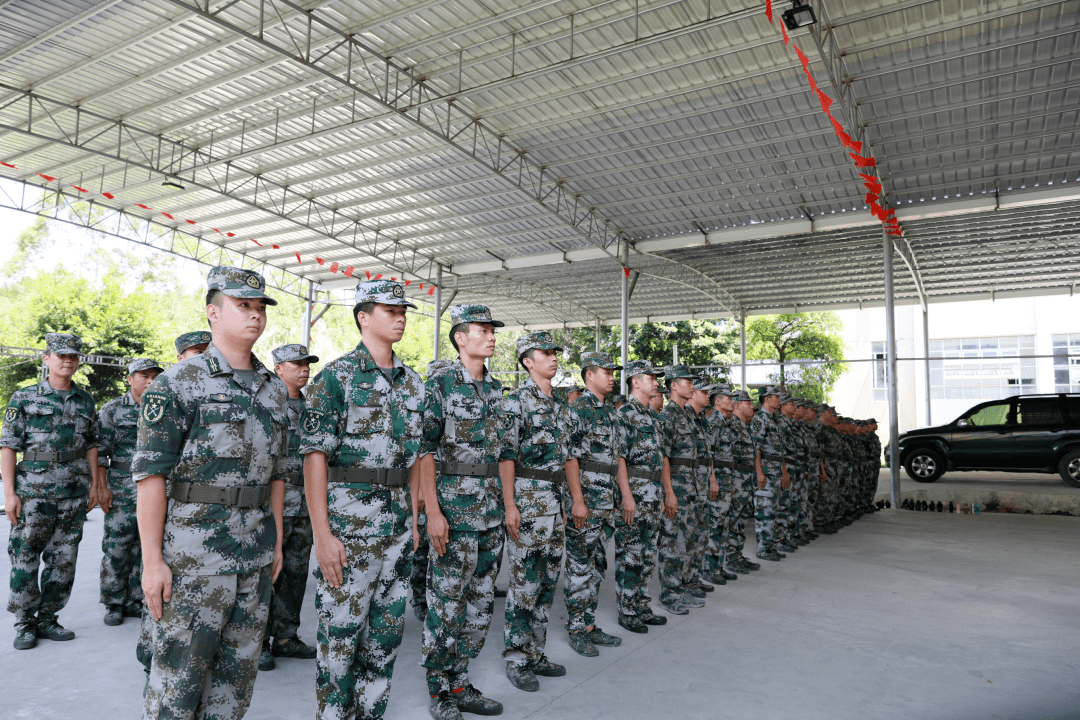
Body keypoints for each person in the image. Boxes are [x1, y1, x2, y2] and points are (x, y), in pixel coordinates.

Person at [134, 266, 287, 719]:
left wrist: (275, 540)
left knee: (235, 684)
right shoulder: (177, 383)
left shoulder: (274, 390)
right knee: (178, 684)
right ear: (213, 313)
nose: (255, 316)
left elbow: (277, 474)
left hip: (255, 554)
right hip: (194, 558)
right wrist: (151, 561)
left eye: (260, 307)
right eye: (244, 306)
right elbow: (150, 477)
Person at [300, 279, 424, 720]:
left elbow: (414, 460)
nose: (400, 317)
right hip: (349, 531)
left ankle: (371, 714)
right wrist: (322, 534)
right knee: (340, 637)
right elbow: (315, 458)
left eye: (403, 310)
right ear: (363, 317)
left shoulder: (413, 384)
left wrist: (413, 520)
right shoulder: (335, 378)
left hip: (395, 531)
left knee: (386, 636)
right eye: (389, 311)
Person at [420, 305, 506, 720]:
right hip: (454, 512)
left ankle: (461, 681)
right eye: (483, 330)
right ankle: (440, 693)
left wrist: (509, 507)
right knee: (446, 604)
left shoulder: (495, 389)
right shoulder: (439, 386)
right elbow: (424, 450)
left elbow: (504, 453)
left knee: (480, 604)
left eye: (493, 330)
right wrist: (432, 511)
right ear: (461, 338)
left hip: (490, 513)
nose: (491, 337)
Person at [2, 332, 102, 650]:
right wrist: (9, 493)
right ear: (47, 359)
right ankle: (25, 623)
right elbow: (8, 446)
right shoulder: (24, 398)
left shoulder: (85, 400)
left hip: (73, 492)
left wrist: (95, 486)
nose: (67, 360)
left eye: (73, 356)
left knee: (63, 559)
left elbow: (91, 445)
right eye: (61, 355)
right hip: (33, 492)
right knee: (25, 556)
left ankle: (48, 618)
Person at [499, 331, 570, 692]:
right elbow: (506, 456)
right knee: (524, 583)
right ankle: (516, 656)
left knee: (545, 582)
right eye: (545, 353)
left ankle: (535, 652)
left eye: (555, 352)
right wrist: (510, 505)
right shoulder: (517, 402)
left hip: (555, 504)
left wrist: (574, 500)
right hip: (528, 503)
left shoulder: (560, 405)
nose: (553, 358)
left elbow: (567, 457)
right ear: (528, 361)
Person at [562, 351, 632, 657]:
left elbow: (617, 459)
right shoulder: (578, 409)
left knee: (597, 565)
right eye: (606, 371)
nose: (612, 376)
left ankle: (589, 624)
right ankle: (576, 628)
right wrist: (577, 500)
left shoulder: (610, 413)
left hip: (605, 501)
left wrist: (622, 496)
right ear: (589, 375)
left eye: (613, 371)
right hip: (586, 500)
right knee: (579, 565)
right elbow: (570, 457)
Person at [259, 343, 321, 672]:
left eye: (307, 363)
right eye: (295, 363)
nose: (303, 368)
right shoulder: (266, 403)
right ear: (278, 368)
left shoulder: (314, 405)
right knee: (268, 571)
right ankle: (259, 641)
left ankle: (285, 636)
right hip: (274, 502)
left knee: (296, 571)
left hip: (306, 504)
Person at [97, 357, 164, 627]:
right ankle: (113, 601)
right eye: (143, 376)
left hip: (154, 487)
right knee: (117, 545)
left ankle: (136, 598)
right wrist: (100, 487)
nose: (149, 381)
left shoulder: (162, 409)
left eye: (153, 376)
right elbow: (101, 453)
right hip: (122, 486)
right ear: (129, 379)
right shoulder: (112, 410)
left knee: (144, 545)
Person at [613, 359, 670, 633]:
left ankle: (642, 605)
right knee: (631, 556)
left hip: (652, 495)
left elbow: (660, 460)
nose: (656, 382)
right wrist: (626, 496)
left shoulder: (653, 417)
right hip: (634, 496)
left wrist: (663, 493)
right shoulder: (625, 414)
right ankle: (627, 610)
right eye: (651, 378)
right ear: (636, 381)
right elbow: (620, 458)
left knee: (647, 556)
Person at [657, 365, 707, 615]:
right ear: (673, 386)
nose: (692, 385)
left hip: (692, 487)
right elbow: (664, 457)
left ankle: (683, 587)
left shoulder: (687, 415)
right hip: (677, 487)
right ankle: (669, 593)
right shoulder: (668, 416)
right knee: (672, 544)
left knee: (687, 541)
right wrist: (669, 492)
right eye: (687, 381)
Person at [412, 359, 455, 623]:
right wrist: (418, 491)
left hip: (447, 486)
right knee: (422, 548)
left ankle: (437, 595)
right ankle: (419, 598)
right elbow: (417, 450)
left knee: (441, 547)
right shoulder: (424, 404)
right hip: (426, 485)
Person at [702, 385, 739, 585]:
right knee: (714, 526)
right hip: (717, 483)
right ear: (718, 402)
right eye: (728, 398)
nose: (732, 401)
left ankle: (718, 566)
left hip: (726, 481)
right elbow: (709, 454)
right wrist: (713, 480)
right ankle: (709, 568)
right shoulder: (712, 422)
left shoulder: (726, 422)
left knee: (723, 526)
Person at [686, 379, 719, 594]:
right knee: (686, 539)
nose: (708, 396)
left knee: (700, 535)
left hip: (701, 486)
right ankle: (683, 584)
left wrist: (712, 479)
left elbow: (707, 456)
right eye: (704, 391)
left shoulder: (701, 420)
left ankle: (694, 578)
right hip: (687, 487)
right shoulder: (683, 416)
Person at [750, 386, 788, 562]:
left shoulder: (774, 420)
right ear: (767, 398)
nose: (779, 400)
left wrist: (782, 471)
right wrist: (759, 472)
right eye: (776, 397)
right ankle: (763, 548)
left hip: (774, 473)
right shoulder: (760, 419)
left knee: (772, 511)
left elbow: (779, 452)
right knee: (764, 512)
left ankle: (769, 545)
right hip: (765, 473)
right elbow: (755, 447)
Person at [726, 391, 761, 573]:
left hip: (746, 481)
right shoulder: (732, 425)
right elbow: (727, 456)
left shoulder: (745, 426)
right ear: (738, 405)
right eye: (748, 403)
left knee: (742, 520)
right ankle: (730, 558)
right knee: (734, 519)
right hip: (737, 481)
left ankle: (737, 554)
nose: (751, 407)